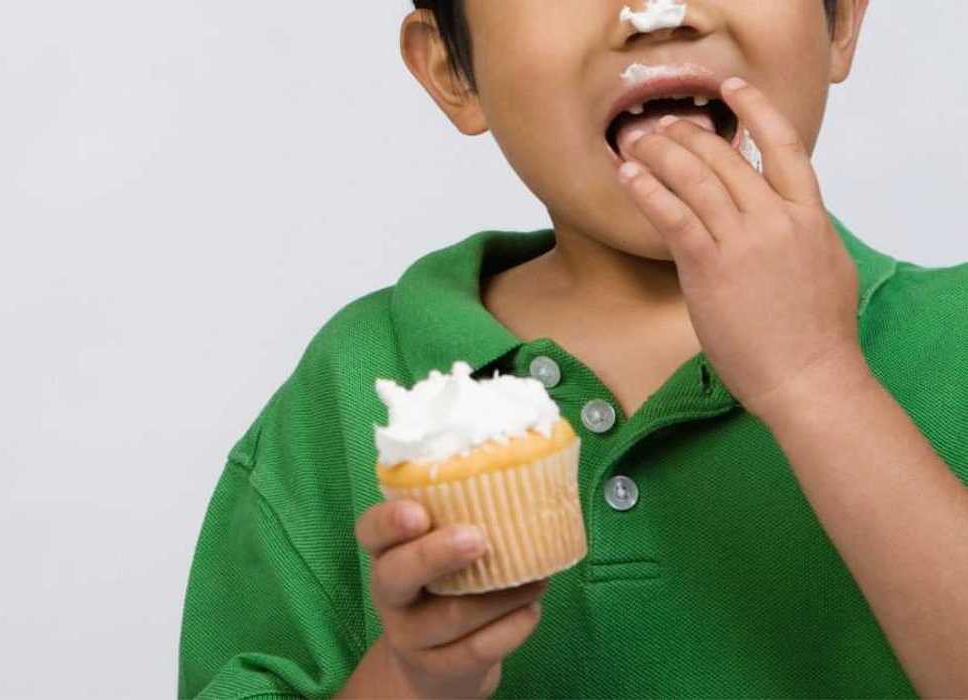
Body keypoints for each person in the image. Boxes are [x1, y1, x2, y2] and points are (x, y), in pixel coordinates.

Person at [178, 1, 968, 697]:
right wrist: (418, 677)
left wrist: (815, 378)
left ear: (842, 20)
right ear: (453, 68)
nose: (656, 10)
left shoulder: (951, 339)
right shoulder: (357, 388)